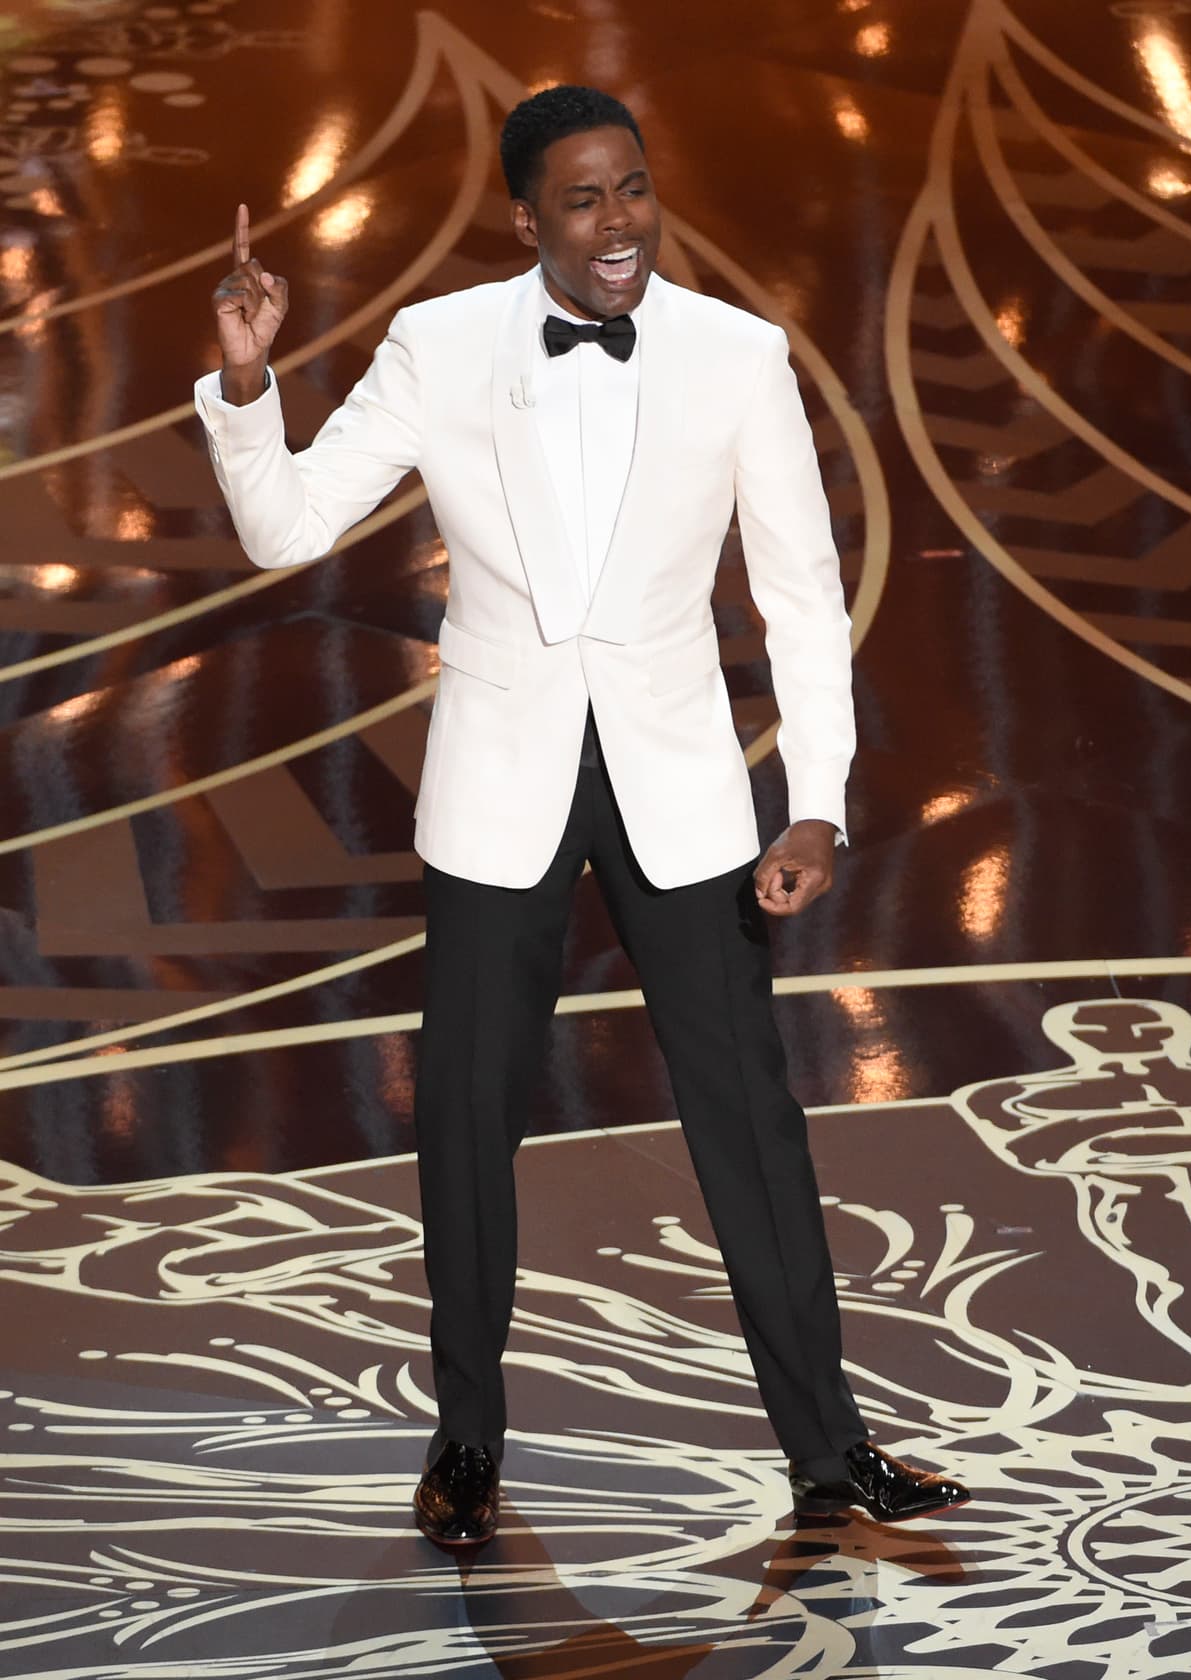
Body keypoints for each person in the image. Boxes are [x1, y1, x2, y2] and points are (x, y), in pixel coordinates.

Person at [196, 84, 969, 1547]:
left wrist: (816, 804)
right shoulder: (440, 344)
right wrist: (247, 383)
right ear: (525, 220)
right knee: (466, 1121)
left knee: (751, 1121)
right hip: (502, 782)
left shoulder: (738, 356)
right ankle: (467, 1444)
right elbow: (286, 529)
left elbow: (803, 596)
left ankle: (831, 1450)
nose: (619, 224)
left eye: (633, 189)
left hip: (682, 786)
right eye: (583, 200)